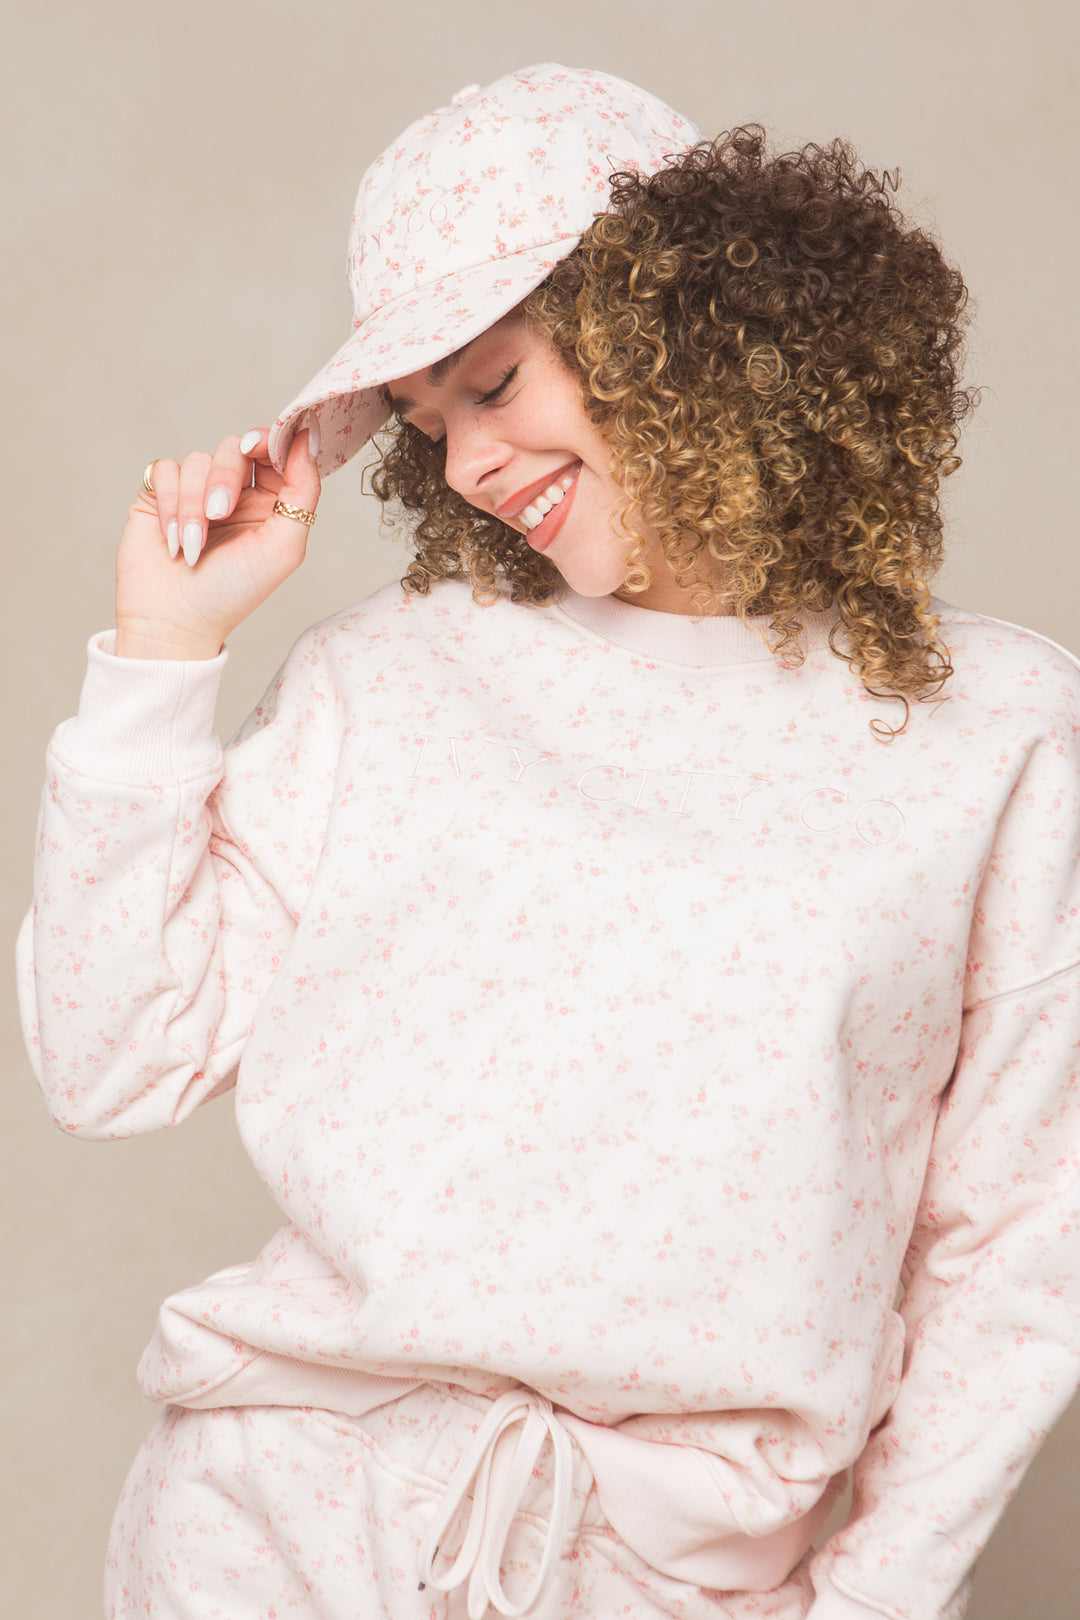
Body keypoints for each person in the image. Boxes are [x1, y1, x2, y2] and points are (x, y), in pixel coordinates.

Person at [17, 61, 1080, 1620]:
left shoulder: (1000, 728)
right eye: (424, 418)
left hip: (676, 1580)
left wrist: (870, 1602)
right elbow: (109, 1058)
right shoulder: (392, 673)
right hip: (272, 1534)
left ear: (681, 328)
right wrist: (162, 654)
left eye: (495, 383)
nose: (461, 466)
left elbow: (1015, 1249)